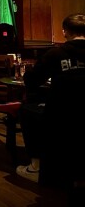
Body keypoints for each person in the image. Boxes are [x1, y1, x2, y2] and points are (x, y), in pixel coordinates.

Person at [15, 13, 85, 182]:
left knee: (26, 111)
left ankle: (36, 167)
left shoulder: (55, 54)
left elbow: (31, 81)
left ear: (65, 32)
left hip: (62, 113)